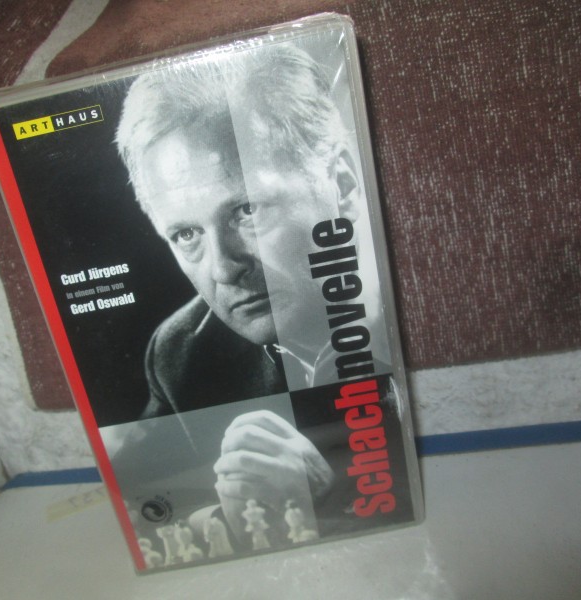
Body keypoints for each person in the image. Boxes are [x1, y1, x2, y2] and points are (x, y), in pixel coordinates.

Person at [115, 43, 390, 546]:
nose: (223, 269)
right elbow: (141, 505)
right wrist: (220, 519)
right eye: (186, 234)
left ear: (343, 185)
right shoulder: (183, 351)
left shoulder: (430, 306)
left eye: (247, 210)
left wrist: (328, 504)